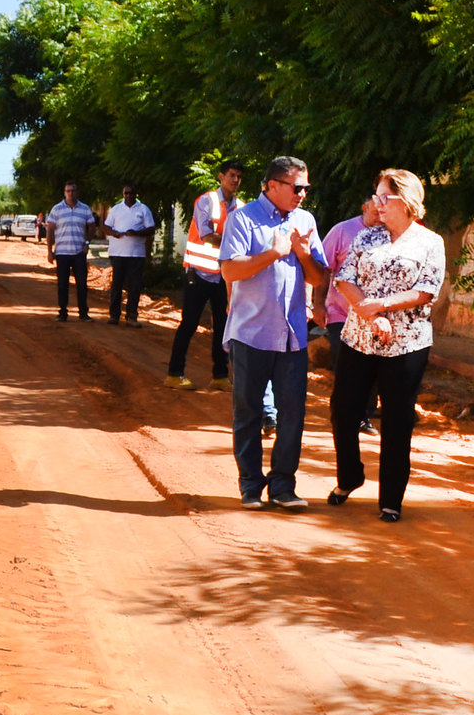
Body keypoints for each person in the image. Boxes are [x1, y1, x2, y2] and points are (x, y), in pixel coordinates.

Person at [327, 170, 446, 523]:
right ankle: (350, 477)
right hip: (359, 339)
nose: (376, 203)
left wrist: (382, 306)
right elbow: (344, 279)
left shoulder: (430, 242)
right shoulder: (367, 237)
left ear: (405, 201)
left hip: (407, 345)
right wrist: (370, 315)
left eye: (384, 197)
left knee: (396, 421)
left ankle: (391, 499)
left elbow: (426, 291)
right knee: (343, 411)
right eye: (376, 196)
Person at [218, 156, 327, 509]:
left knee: (293, 414)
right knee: (248, 412)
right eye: (297, 187)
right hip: (251, 333)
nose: (303, 194)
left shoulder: (305, 221)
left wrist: (304, 254)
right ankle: (251, 486)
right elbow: (230, 272)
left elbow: (317, 277)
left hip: (293, 334)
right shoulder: (243, 219)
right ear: (273, 185)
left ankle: (282, 487)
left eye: (306, 188)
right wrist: (273, 253)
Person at [166, 159, 246, 390]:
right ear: (221, 176)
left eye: (238, 176)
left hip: (224, 276)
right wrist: (233, 243)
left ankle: (220, 376)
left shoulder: (241, 206)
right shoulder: (206, 201)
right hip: (198, 273)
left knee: (223, 327)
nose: (235, 180)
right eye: (231, 175)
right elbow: (206, 234)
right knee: (189, 323)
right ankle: (174, 373)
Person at [316, 196, 382, 435]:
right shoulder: (342, 231)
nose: (380, 216)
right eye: (375, 211)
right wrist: (317, 304)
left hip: (374, 316)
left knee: (373, 367)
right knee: (345, 364)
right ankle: (342, 413)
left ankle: (363, 416)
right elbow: (324, 269)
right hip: (340, 313)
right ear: (364, 208)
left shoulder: (389, 233)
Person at [103, 183, 157, 325]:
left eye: (131, 193)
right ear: (123, 194)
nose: (128, 196)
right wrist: (114, 233)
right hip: (118, 253)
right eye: (126, 193)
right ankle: (114, 315)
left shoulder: (143, 209)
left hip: (136, 254)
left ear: (135, 194)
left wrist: (136, 233)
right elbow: (106, 226)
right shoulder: (116, 209)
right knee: (117, 285)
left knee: (134, 286)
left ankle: (132, 316)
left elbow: (151, 229)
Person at [43, 181, 97, 321]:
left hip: (79, 252)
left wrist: (87, 242)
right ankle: (62, 312)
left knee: (82, 284)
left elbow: (92, 227)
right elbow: (50, 230)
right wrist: (50, 250)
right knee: (62, 284)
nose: (70, 193)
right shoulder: (57, 209)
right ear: (64, 193)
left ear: (77, 192)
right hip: (62, 253)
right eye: (68, 191)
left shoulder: (85, 209)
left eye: (73, 191)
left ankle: (83, 313)